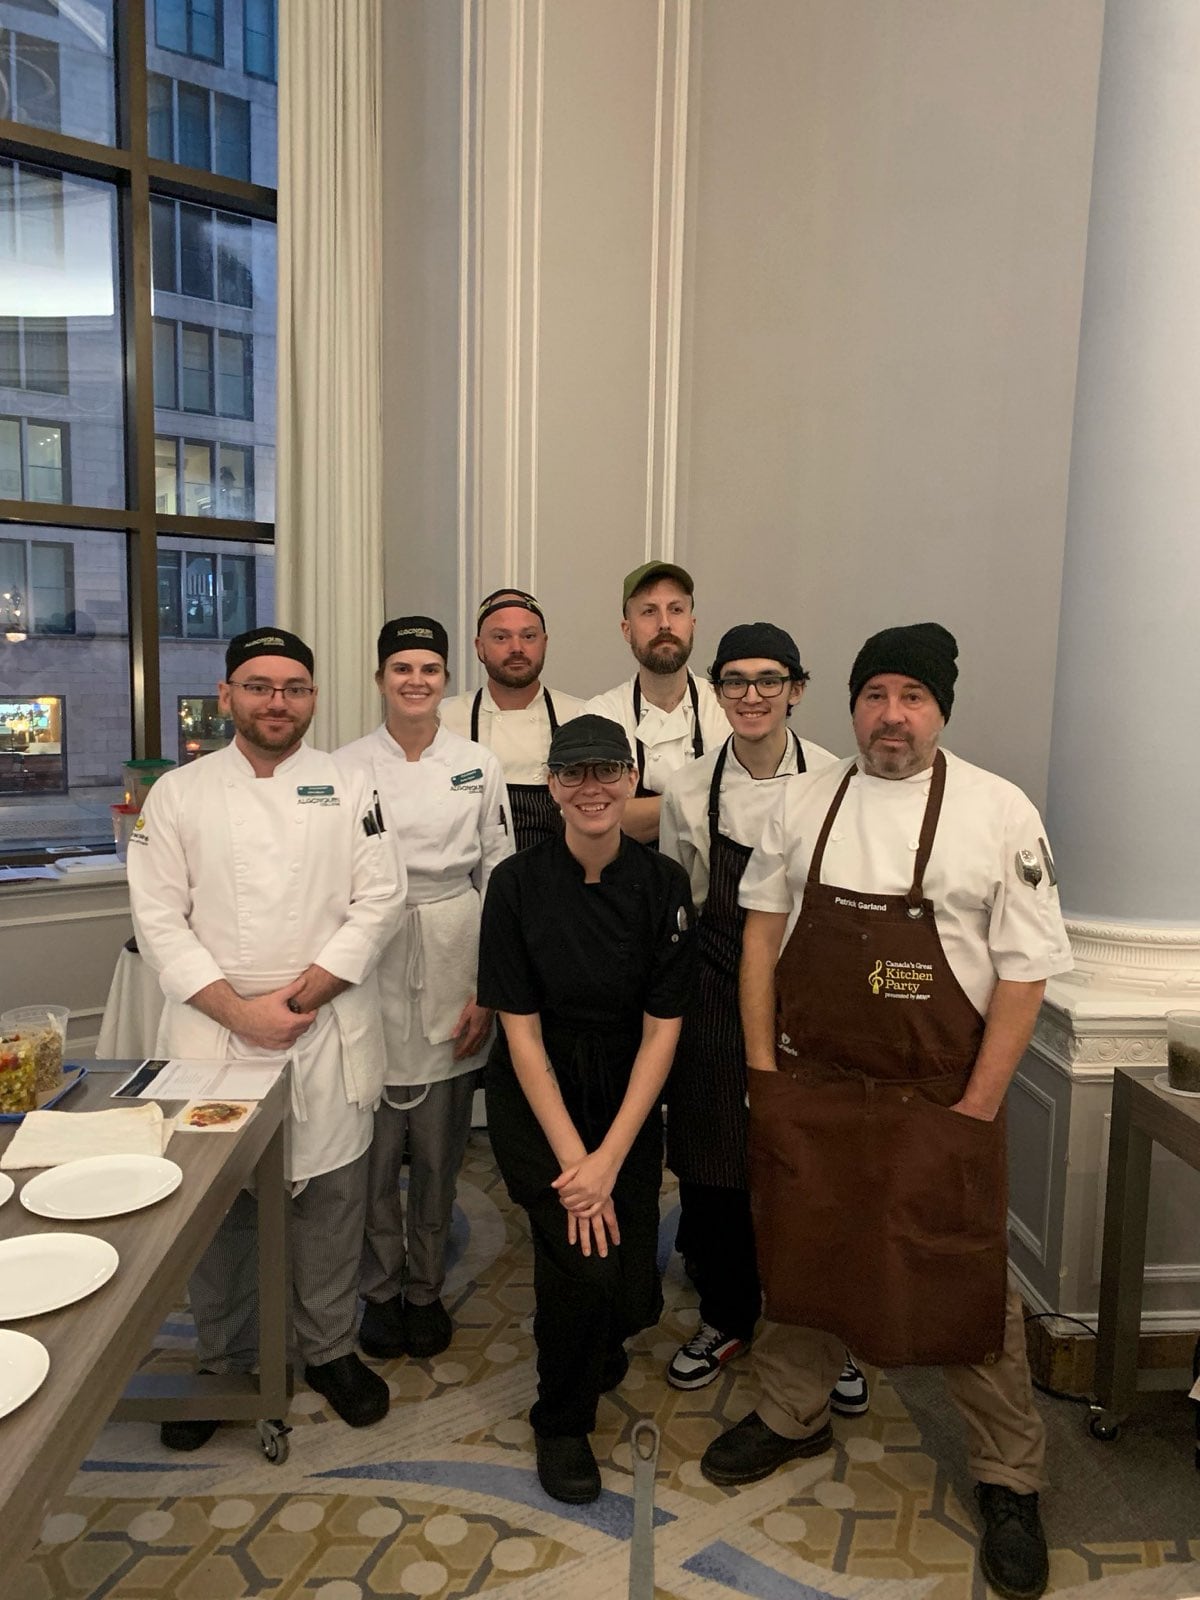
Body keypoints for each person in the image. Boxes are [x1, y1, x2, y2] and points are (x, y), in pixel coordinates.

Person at [699, 622, 1072, 1600]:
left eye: (912, 696)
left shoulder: (999, 812)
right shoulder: (806, 804)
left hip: (938, 1094)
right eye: (875, 695)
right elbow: (760, 940)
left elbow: (1026, 973)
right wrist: (761, 1076)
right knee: (802, 1254)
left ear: (940, 708)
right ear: (851, 703)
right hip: (814, 1085)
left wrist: (976, 1108)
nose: (891, 715)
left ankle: (1009, 1477)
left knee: (963, 1282)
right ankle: (792, 1413)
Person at [128, 626, 405, 1444]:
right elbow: (157, 920)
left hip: (324, 1020)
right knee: (218, 1211)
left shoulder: (351, 784)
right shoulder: (178, 793)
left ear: (313, 699)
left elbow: (380, 899)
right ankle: (225, 1358)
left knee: (329, 1199)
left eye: (293, 687)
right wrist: (242, 1012)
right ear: (227, 697)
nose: (276, 701)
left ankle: (330, 1348)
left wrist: (307, 991)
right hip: (214, 1030)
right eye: (258, 685)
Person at [478, 715, 697, 1504]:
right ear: (552, 789)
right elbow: (522, 1036)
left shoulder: (665, 886)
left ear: (633, 780)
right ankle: (560, 1421)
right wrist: (579, 1163)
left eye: (608, 771)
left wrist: (611, 1158)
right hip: (540, 1098)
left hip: (628, 1096)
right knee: (582, 1257)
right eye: (574, 775)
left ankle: (601, 1341)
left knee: (631, 1284)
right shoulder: (515, 885)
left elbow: (663, 1031)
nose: (592, 788)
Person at [660, 621, 866, 1416]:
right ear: (717, 691)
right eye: (736, 681)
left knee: (808, 1167)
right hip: (713, 982)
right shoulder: (685, 784)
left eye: (768, 681)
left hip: (809, 989)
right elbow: (684, 889)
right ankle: (726, 1316)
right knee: (713, 1161)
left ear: (797, 690)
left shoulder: (836, 779)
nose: (752, 696)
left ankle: (819, 1329)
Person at [336, 616, 512, 1363]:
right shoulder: (344, 767)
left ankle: (424, 1287)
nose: (416, 681)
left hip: (454, 944)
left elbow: (501, 870)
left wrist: (491, 986)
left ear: (446, 679)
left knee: (439, 1144)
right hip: (373, 954)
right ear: (380, 679)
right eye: (402, 668)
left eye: (429, 670)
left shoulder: (478, 761)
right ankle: (379, 1287)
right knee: (374, 1145)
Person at [585, 562, 728, 845]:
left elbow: (748, 806)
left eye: (676, 610)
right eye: (649, 611)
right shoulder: (600, 716)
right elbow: (598, 821)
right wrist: (708, 801)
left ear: (692, 624)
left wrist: (638, 812)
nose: (664, 623)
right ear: (626, 630)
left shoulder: (727, 708)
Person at [440, 588, 585, 851]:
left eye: (528, 636)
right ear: (479, 647)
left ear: (545, 642)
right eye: (500, 637)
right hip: (479, 882)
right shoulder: (444, 720)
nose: (516, 648)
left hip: (557, 880)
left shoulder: (580, 717)